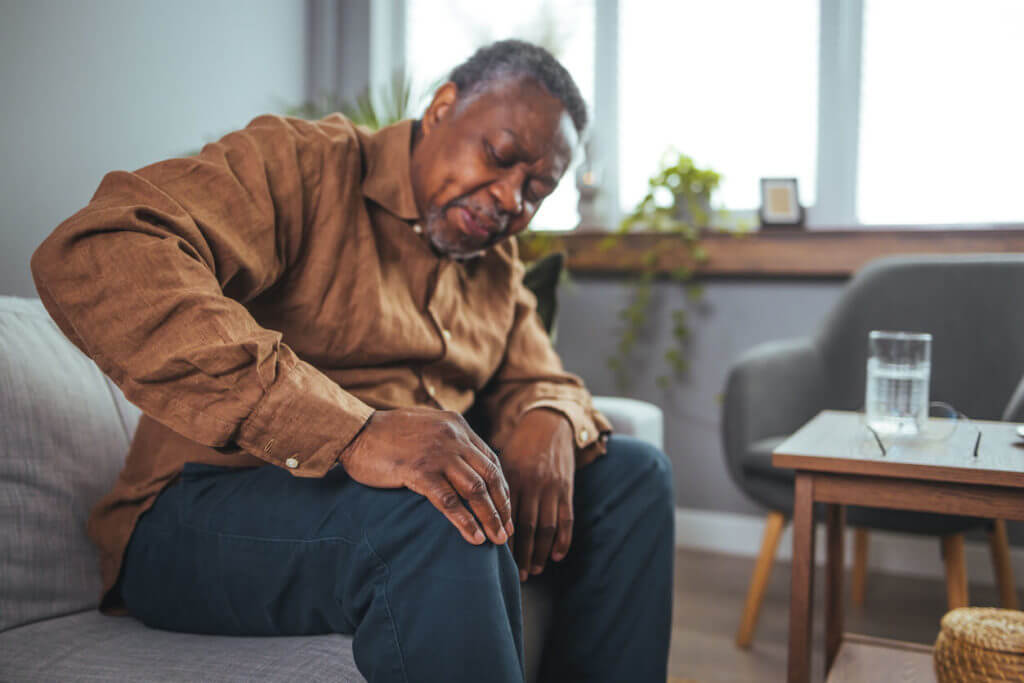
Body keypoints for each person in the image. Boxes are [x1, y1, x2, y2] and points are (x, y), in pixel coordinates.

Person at [31, 39, 674, 682]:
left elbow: (540, 376)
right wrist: (353, 431)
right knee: (440, 507)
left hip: (373, 508)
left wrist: (551, 418)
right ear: (443, 107)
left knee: (633, 478)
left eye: (536, 190)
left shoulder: (495, 260)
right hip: (194, 516)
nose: (511, 200)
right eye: (500, 157)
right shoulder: (302, 165)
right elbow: (101, 247)